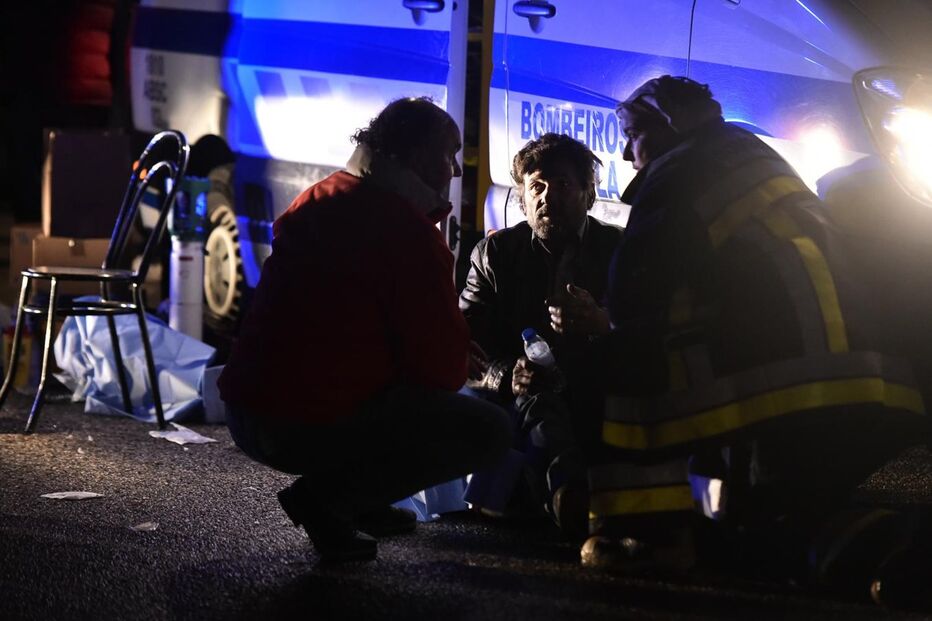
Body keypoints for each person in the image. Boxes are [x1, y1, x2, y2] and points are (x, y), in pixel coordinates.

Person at [583, 75, 929, 604]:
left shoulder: (678, 173)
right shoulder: (749, 154)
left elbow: (635, 296)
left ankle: (646, 535)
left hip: (783, 392)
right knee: (776, 527)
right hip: (865, 389)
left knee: (616, 363)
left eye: (632, 135)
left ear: (667, 125)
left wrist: (598, 331)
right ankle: (891, 552)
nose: (628, 154)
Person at [218, 98, 512, 562]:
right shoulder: (407, 233)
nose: (455, 171)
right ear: (414, 156)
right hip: (299, 422)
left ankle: (361, 502)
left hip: (245, 410)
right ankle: (329, 502)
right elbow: (440, 371)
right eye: (448, 154)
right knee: (488, 429)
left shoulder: (319, 196)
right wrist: (458, 352)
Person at [459, 132, 622, 537]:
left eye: (564, 185)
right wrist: (506, 375)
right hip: (523, 397)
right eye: (536, 186)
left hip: (598, 384)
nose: (547, 198)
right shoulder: (495, 255)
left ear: (589, 193)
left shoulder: (618, 249)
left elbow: (651, 327)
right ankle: (568, 496)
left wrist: (603, 323)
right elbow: (463, 350)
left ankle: (561, 496)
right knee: (536, 396)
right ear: (522, 197)